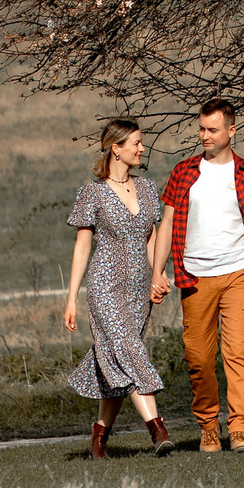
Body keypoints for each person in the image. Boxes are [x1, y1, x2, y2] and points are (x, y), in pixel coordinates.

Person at [151, 98, 244, 452]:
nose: (204, 135)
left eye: (212, 129)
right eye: (201, 129)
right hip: (194, 277)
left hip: (239, 274)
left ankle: (239, 429)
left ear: (231, 131)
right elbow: (168, 224)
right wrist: (157, 272)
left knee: (238, 352)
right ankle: (208, 426)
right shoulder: (184, 172)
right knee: (199, 357)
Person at [62, 117, 174, 458]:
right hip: (105, 285)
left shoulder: (146, 188)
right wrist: (71, 299)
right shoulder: (92, 192)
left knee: (116, 357)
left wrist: (158, 274)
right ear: (117, 148)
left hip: (139, 287)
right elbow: (83, 246)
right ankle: (158, 430)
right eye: (136, 143)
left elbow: (153, 237)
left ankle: (98, 437)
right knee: (128, 349)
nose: (142, 148)